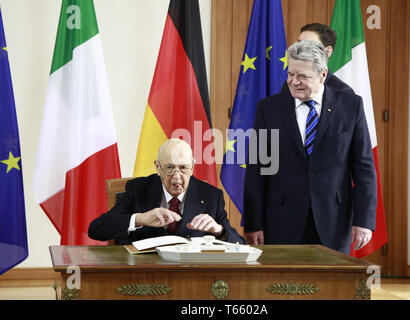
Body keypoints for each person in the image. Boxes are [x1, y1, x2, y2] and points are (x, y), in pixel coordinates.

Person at [244, 40, 376, 254]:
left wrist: (364, 220)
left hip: (334, 221)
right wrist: (253, 223)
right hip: (281, 222)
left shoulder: (350, 106)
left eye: (303, 76)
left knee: (332, 286)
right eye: (290, 74)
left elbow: (363, 168)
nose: (294, 82)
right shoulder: (268, 109)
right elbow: (257, 170)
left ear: (323, 75)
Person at [89, 138, 245, 244]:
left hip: (191, 276)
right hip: (145, 272)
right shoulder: (138, 189)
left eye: (183, 168)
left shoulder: (211, 196)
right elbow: (96, 229)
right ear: (158, 167)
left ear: (192, 168)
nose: (177, 177)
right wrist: (140, 219)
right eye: (169, 168)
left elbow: (241, 244)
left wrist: (218, 230)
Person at [281, 23, 354, 94]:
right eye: (299, 43)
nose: (301, 50)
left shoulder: (343, 93)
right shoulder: (288, 86)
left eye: (309, 45)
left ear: (327, 52)